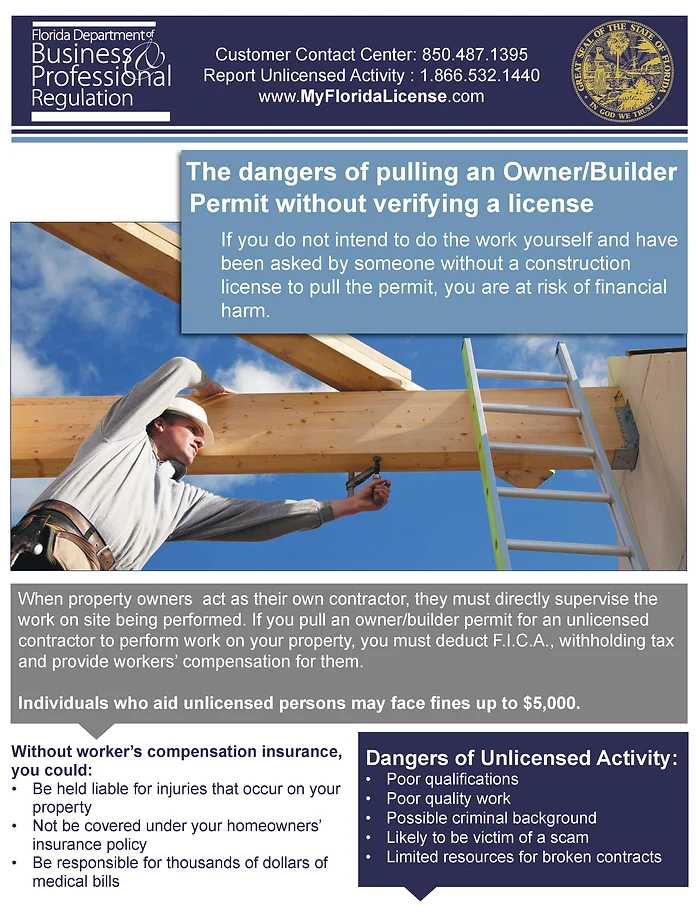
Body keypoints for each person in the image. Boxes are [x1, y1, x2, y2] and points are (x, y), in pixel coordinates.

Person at [10, 357, 390, 571]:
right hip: (42, 555)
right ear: (159, 421)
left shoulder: (178, 503)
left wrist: (350, 506)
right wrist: (207, 386)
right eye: (192, 427)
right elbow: (181, 368)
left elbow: (262, 518)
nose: (198, 439)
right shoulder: (120, 438)